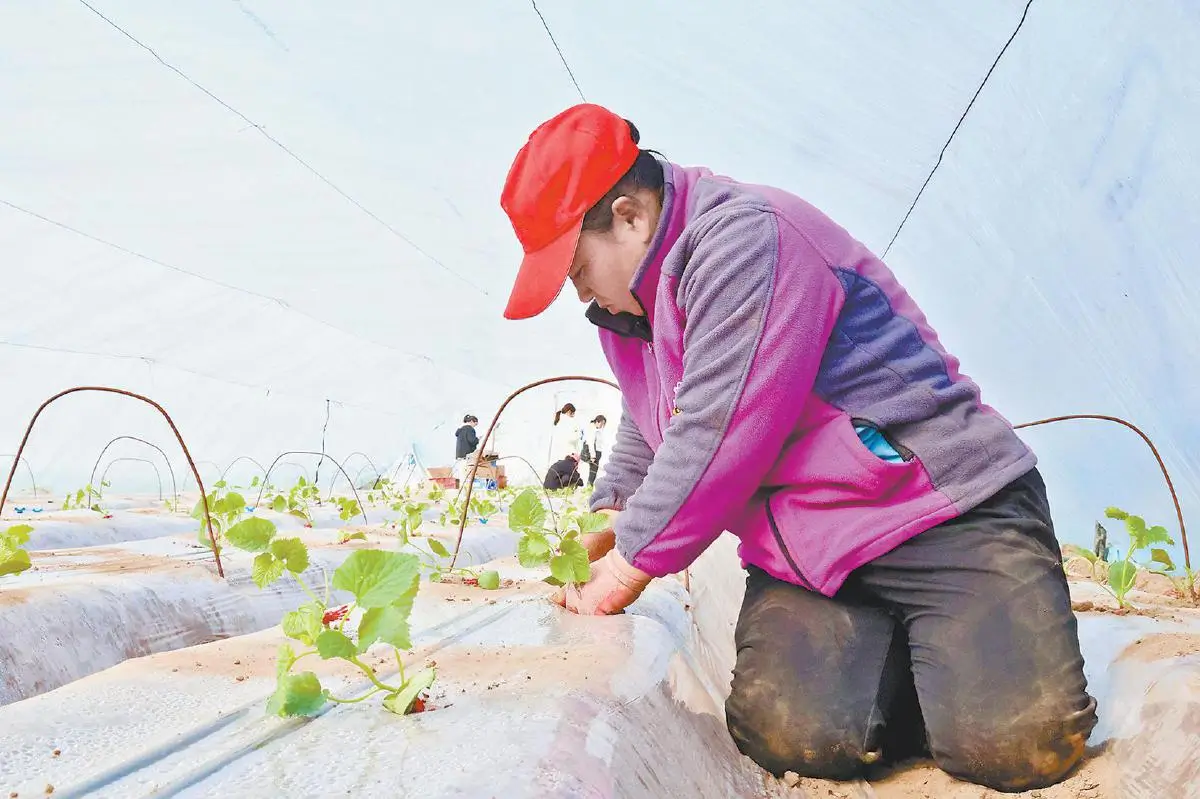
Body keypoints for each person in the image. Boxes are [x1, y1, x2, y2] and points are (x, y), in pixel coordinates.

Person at [497, 103, 1096, 792]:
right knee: (785, 734)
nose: (578, 291)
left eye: (577, 268)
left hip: (941, 513)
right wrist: (617, 505)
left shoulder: (743, 240)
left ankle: (961, 655)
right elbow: (649, 410)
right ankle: (927, 658)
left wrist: (632, 560)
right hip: (812, 552)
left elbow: (719, 426)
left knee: (1017, 745)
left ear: (630, 217)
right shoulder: (628, 310)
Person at [549, 402, 583, 482]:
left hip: (560, 451)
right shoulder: (569, 421)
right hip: (569, 450)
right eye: (573, 413)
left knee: (560, 472)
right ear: (569, 412)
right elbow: (570, 438)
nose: (574, 415)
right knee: (569, 472)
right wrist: (579, 434)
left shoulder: (559, 421)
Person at [581, 415, 608, 487]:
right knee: (593, 472)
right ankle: (588, 487)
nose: (602, 426)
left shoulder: (597, 430)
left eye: (604, 424)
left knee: (593, 472)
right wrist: (593, 456)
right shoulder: (592, 430)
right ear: (597, 422)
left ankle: (589, 487)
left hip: (596, 453)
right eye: (602, 423)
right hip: (593, 453)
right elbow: (591, 443)